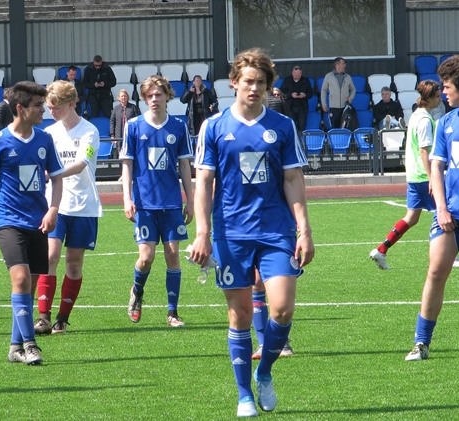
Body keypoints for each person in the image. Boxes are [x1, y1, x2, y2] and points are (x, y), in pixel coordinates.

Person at [188, 48, 314, 417]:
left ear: (268, 85)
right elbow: (203, 183)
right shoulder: (214, 127)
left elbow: (293, 180)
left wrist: (304, 230)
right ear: (234, 83)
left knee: (282, 308)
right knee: (240, 315)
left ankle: (264, 372)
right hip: (232, 233)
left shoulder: (282, 126)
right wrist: (202, 232)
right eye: (248, 81)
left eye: (260, 82)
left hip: (276, 230)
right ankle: (244, 395)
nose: (254, 88)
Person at [0, 81, 64, 366]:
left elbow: (57, 178)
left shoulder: (45, 140)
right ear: (20, 108)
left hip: (38, 222)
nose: (43, 110)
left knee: (29, 286)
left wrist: (53, 210)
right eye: (38, 105)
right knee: (20, 279)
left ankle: (15, 346)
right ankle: (30, 344)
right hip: (8, 221)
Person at [121, 75, 194, 328]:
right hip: (144, 204)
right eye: (150, 95)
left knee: (173, 255)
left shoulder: (178, 126)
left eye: (158, 94)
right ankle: (137, 291)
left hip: (171, 203)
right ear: (144, 98)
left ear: (167, 96)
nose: (154, 99)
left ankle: (172, 312)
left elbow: (184, 165)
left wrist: (190, 200)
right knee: (146, 257)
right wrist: (127, 198)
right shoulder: (133, 126)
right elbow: (127, 164)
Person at [33, 80, 102, 335]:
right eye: (49, 107)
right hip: (56, 204)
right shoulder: (49, 133)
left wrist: (54, 174)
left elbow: (83, 162)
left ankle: (62, 318)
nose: (51, 111)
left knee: (74, 263)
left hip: (83, 206)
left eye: (56, 107)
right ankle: (43, 316)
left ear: (72, 104)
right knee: (49, 256)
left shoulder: (89, 131)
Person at [404, 56, 459, 362]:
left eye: (448, 86)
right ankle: (421, 343)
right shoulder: (447, 124)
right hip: (450, 214)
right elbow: (436, 169)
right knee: (436, 271)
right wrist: (441, 208)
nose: (445, 92)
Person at [370, 81, 440, 271]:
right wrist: (432, 178)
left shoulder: (416, 115)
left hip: (414, 176)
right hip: (424, 176)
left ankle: (382, 249)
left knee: (411, 217)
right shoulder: (425, 120)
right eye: (437, 96)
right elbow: (424, 151)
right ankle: (446, 255)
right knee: (445, 212)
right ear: (430, 98)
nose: (440, 99)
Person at [321, 57, 356, 128]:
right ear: (337, 65)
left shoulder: (348, 77)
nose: (345, 65)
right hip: (333, 107)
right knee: (335, 128)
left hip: (345, 107)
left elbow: (353, 89)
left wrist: (350, 98)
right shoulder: (329, 76)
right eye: (343, 63)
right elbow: (324, 90)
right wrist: (324, 103)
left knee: (345, 128)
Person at [280, 65, 314, 133]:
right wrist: (291, 95)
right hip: (290, 107)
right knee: (291, 126)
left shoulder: (305, 80)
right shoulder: (287, 80)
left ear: (301, 73)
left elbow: (311, 93)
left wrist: (304, 95)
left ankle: (300, 138)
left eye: (299, 74)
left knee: (302, 126)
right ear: (292, 73)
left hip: (302, 107)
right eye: (295, 73)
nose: (297, 75)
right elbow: (282, 93)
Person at [109, 88, 140, 155]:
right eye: (122, 96)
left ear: (127, 97)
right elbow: (112, 121)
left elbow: (138, 120)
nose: (123, 97)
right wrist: (112, 135)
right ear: (119, 98)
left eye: (125, 96)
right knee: (120, 154)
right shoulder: (116, 109)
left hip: (131, 134)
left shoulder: (133, 107)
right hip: (119, 135)